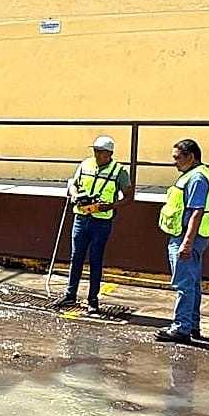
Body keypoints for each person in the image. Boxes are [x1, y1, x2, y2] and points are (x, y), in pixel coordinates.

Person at [58, 135, 130, 315]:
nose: (97, 155)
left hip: (102, 221)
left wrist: (110, 206)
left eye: (101, 152)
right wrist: (75, 196)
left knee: (96, 259)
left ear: (109, 154)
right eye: (95, 151)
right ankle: (70, 294)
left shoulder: (119, 171)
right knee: (76, 257)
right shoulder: (85, 165)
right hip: (81, 218)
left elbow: (129, 197)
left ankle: (93, 299)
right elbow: (73, 185)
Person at [155, 139, 209, 343]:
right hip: (190, 236)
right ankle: (191, 325)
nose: (174, 162)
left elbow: (196, 211)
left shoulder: (197, 177)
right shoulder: (193, 175)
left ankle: (181, 328)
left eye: (177, 158)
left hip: (188, 237)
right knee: (192, 283)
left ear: (191, 156)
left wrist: (187, 242)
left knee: (184, 284)